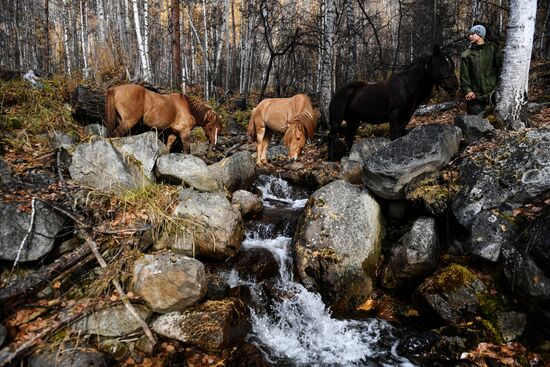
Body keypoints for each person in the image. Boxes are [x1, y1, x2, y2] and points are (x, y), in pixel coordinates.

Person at [460, 24, 503, 115]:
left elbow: (501, 66)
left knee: (493, 122)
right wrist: (467, 90)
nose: (470, 36)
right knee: (475, 124)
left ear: (481, 35)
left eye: (472, 34)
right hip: (475, 97)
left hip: (492, 95)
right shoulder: (467, 54)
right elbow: (464, 75)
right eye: (469, 34)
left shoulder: (492, 49)